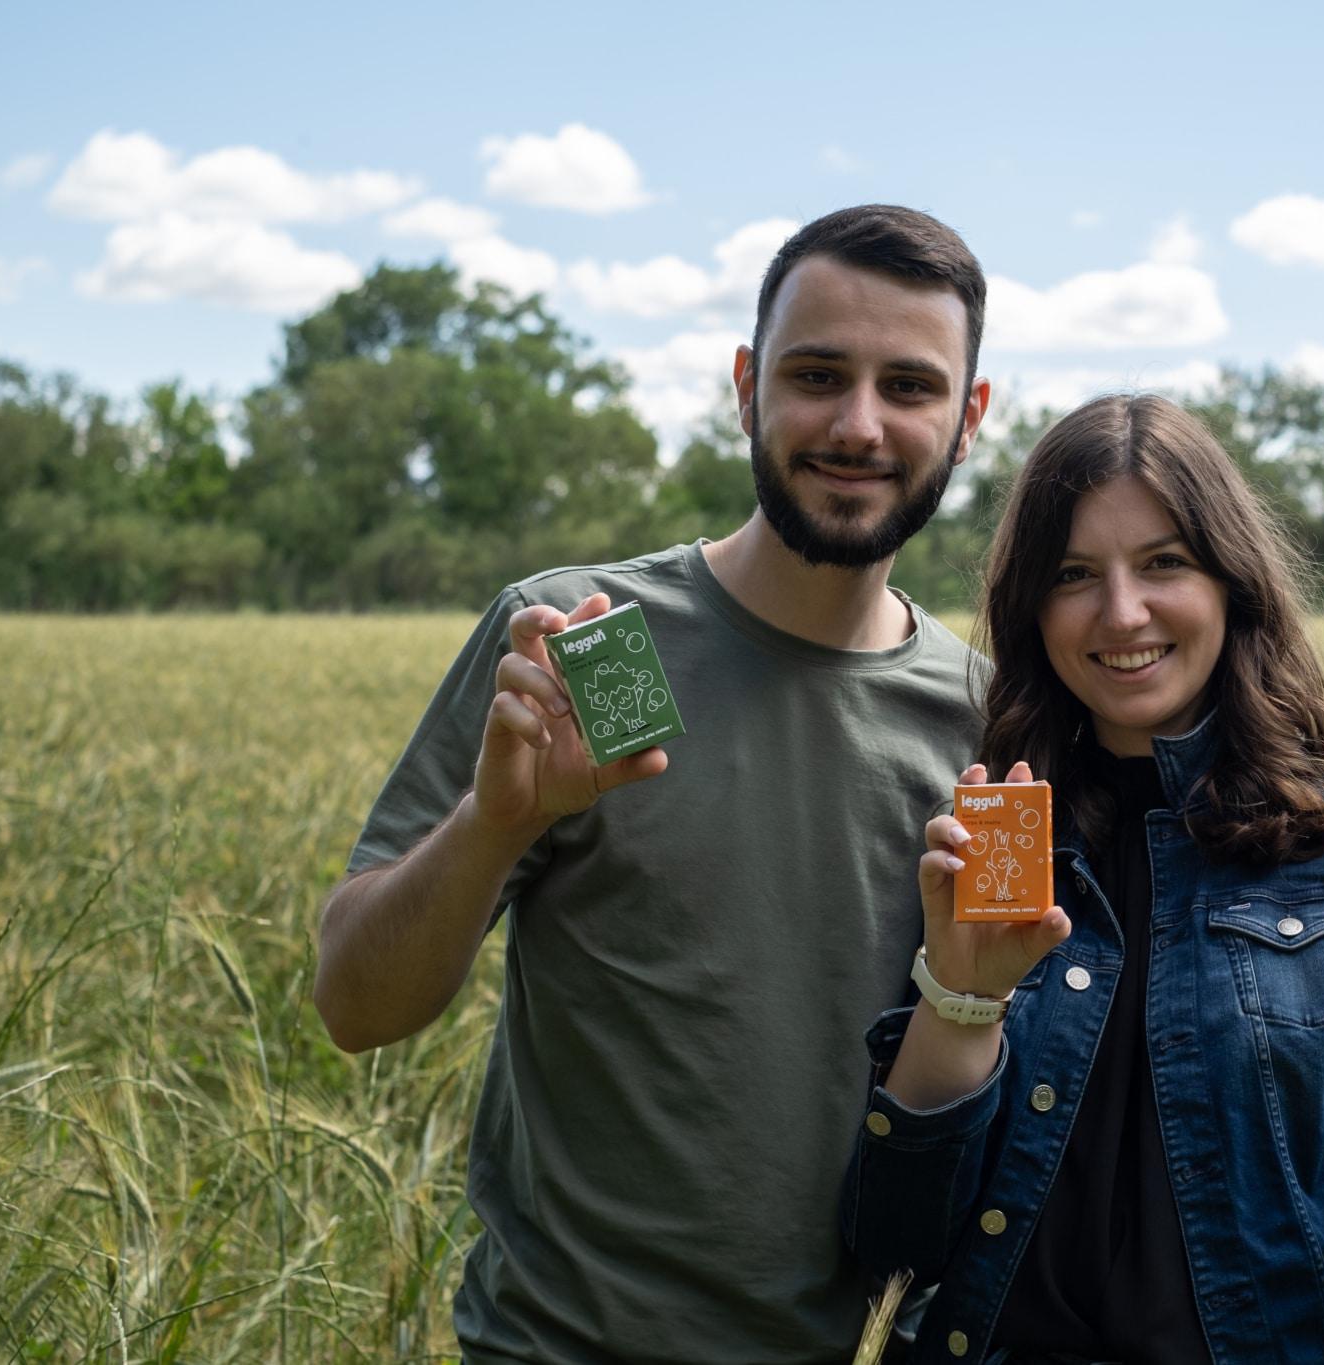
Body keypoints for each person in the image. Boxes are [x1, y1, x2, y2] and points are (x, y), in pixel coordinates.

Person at [315, 205, 994, 1363]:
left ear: (969, 419)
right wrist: (495, 824)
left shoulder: (980, 721)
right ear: (745, 386)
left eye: (910, 387)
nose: (858, 424)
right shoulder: (592, 642)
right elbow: (354, 1007)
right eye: (816, 374)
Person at [843, 395, 1324, 1363]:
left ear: (1229, 581)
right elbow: (893, 1249)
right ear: (1030, 608)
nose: (1121, 612)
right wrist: (960, 1000)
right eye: (1072, 574)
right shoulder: (992, 834)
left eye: (1164, 563)